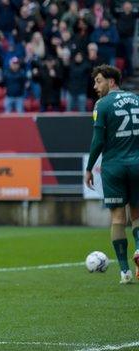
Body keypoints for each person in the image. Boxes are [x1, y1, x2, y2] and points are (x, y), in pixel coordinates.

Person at [85, 65, 139, 284]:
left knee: (118, 218)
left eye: (99, 81)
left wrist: (89, 168)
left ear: (111, 81)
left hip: (114, 166)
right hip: (137, 164)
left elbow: (98, 140)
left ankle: (125, 271)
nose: (96, 87)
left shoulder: (102, 105)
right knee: (136, 215)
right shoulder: (137, 99)